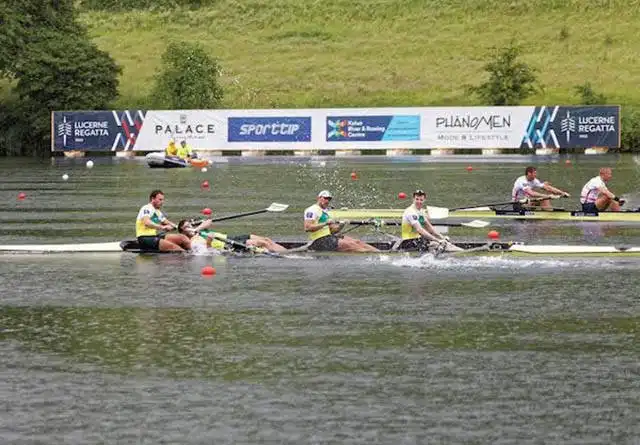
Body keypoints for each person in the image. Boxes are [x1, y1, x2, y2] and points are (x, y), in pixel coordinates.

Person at [304, 190, 379, 252]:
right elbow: (308, 228)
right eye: (325, 198)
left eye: (329, 199)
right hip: (318, 241)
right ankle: (376, 256)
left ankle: (379, 252)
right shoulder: (312, 210)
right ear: (319, 198)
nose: (327, 201)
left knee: (357, 242)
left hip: (328, 238)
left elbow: (333, 230)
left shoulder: (325, 211)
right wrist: (325, 223)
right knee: (352, 245)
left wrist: (342, 225)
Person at [177, 219, 287, 253]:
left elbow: (209, 221)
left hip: (230, 237)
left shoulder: (198, 230)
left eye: (189, 225)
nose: (189, 227)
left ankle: (285, 251)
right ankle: (283, 255)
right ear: (183, 232)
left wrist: (196, 229)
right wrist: (209, 240)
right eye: (186, 227)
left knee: (266, 239)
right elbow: (206, 249)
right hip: (228, 245)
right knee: (262, 243)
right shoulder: (194, 240)